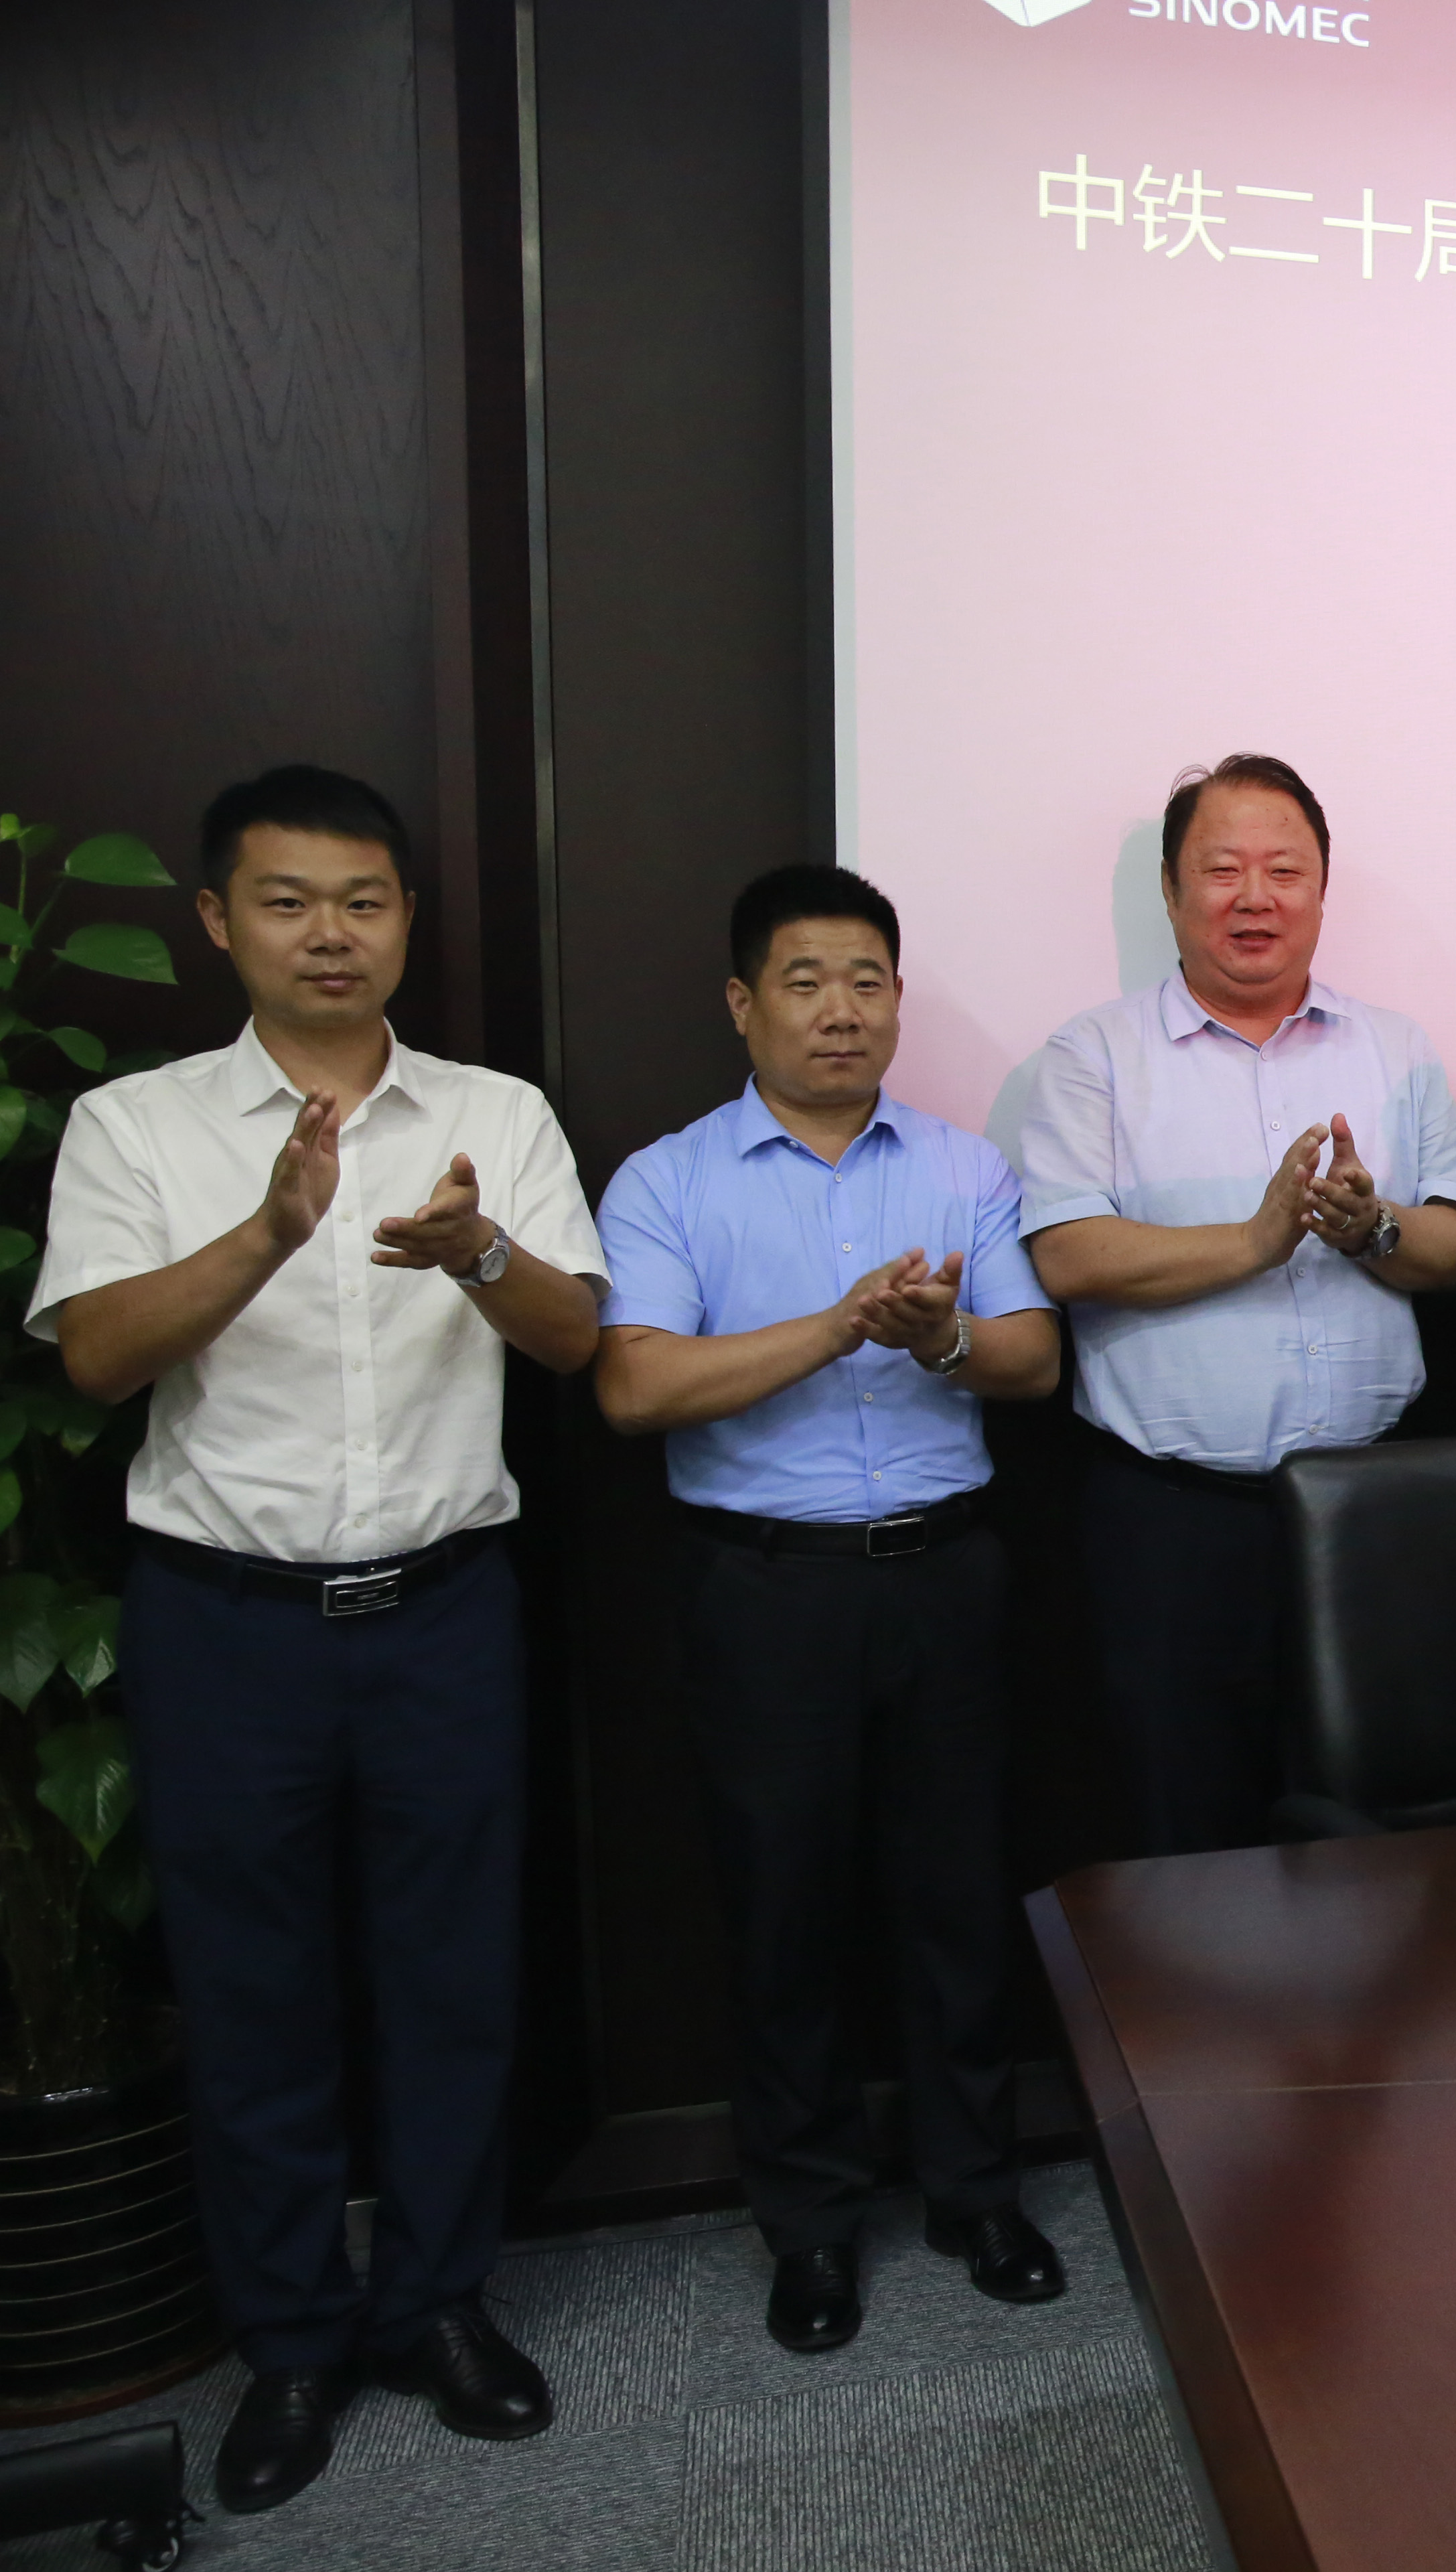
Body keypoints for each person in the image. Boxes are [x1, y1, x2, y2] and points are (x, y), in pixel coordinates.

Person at [35, 766, 603, 2512]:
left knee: (453, 1981)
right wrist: (272, 1232)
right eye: (288, 902)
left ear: (407, 918)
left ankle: (435, 2306)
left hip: (443, 1615)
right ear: (220, 920)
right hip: (229, 1627)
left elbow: (574, 1339)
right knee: (251, 1993)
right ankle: (289, 2340)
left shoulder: (494, 1113)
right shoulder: (136, 1127)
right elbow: (97, 1358)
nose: (330, 934)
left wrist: (478, 1251)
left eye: (363, 900)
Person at [591, 866, 1068, 2358]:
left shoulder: (964, 1167)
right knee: (784, 1911)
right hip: (765, 1592)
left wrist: (939, 1341)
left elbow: (1034, 1359)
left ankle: (976, 2192)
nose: (841, 1011)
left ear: (898, 1001)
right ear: (744, 1005)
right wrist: (839, 1325)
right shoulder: (669, 1180)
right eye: (805, 982)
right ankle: (809, 2224)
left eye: (867, 981)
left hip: (945, 1574)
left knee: (958, 1899)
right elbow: (636, 1385)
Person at [1017, 755, 1456, 1854]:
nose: (1255, 898)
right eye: (1223, 870)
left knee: (1370, 1828)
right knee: (1187, 1829)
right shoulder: (1095, 1055)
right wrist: (1256, 1242)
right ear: (1172, 892)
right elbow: (1068, 1255)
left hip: (1370, 1509)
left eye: (1285, 870)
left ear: (1322, 889)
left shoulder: (1396, 1048)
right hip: (1176, 1523)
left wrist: (1370, 1228)